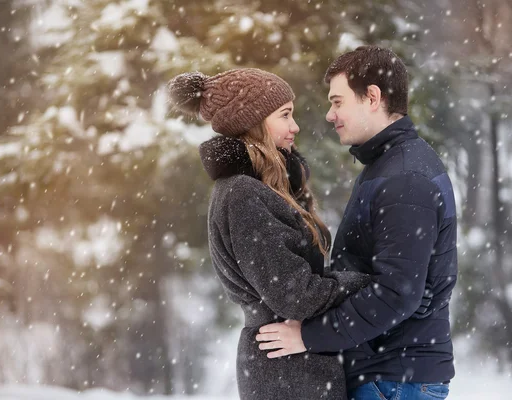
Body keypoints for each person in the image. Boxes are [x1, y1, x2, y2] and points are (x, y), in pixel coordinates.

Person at [256, 46, 458, 400]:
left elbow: (397, 294)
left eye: (338, 102)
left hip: (395, 380)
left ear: (373, 98)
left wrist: (307, 335)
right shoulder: (387, 167)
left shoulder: (404, 178)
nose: (330, 115)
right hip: (389, 375)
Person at [167, 68, 370, 400]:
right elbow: (294, 294)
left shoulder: (263, 189)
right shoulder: (242, 194)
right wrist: (363, 282)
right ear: (255, 122)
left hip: (296, 364)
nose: (295, 126)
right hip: (284, 370)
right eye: (285, 115)